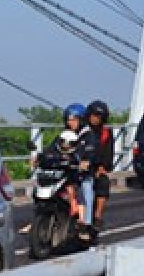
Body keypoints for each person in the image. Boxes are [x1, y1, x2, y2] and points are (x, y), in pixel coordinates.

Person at [47, 103, 97, 238]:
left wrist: (86, 161)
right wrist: (40, 157)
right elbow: (52, 148)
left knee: (86, 189)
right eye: (69, 119)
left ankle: (86, 224)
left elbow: (91, 151)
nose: (71, 123)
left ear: (81, 120)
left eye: (74, 119)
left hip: (81, 174)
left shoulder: (88, 134)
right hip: (65, 172)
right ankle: (39, 218)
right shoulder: (64, 135)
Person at [85, 99, 114, 229]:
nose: (96, 119)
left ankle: (97, 217)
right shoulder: (81, 130)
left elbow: (108, 154)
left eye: (99, 116)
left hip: (95, 167)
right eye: (94, 115)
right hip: (76, 166)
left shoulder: (106, 133)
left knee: (103, 181)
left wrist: (102, 167)